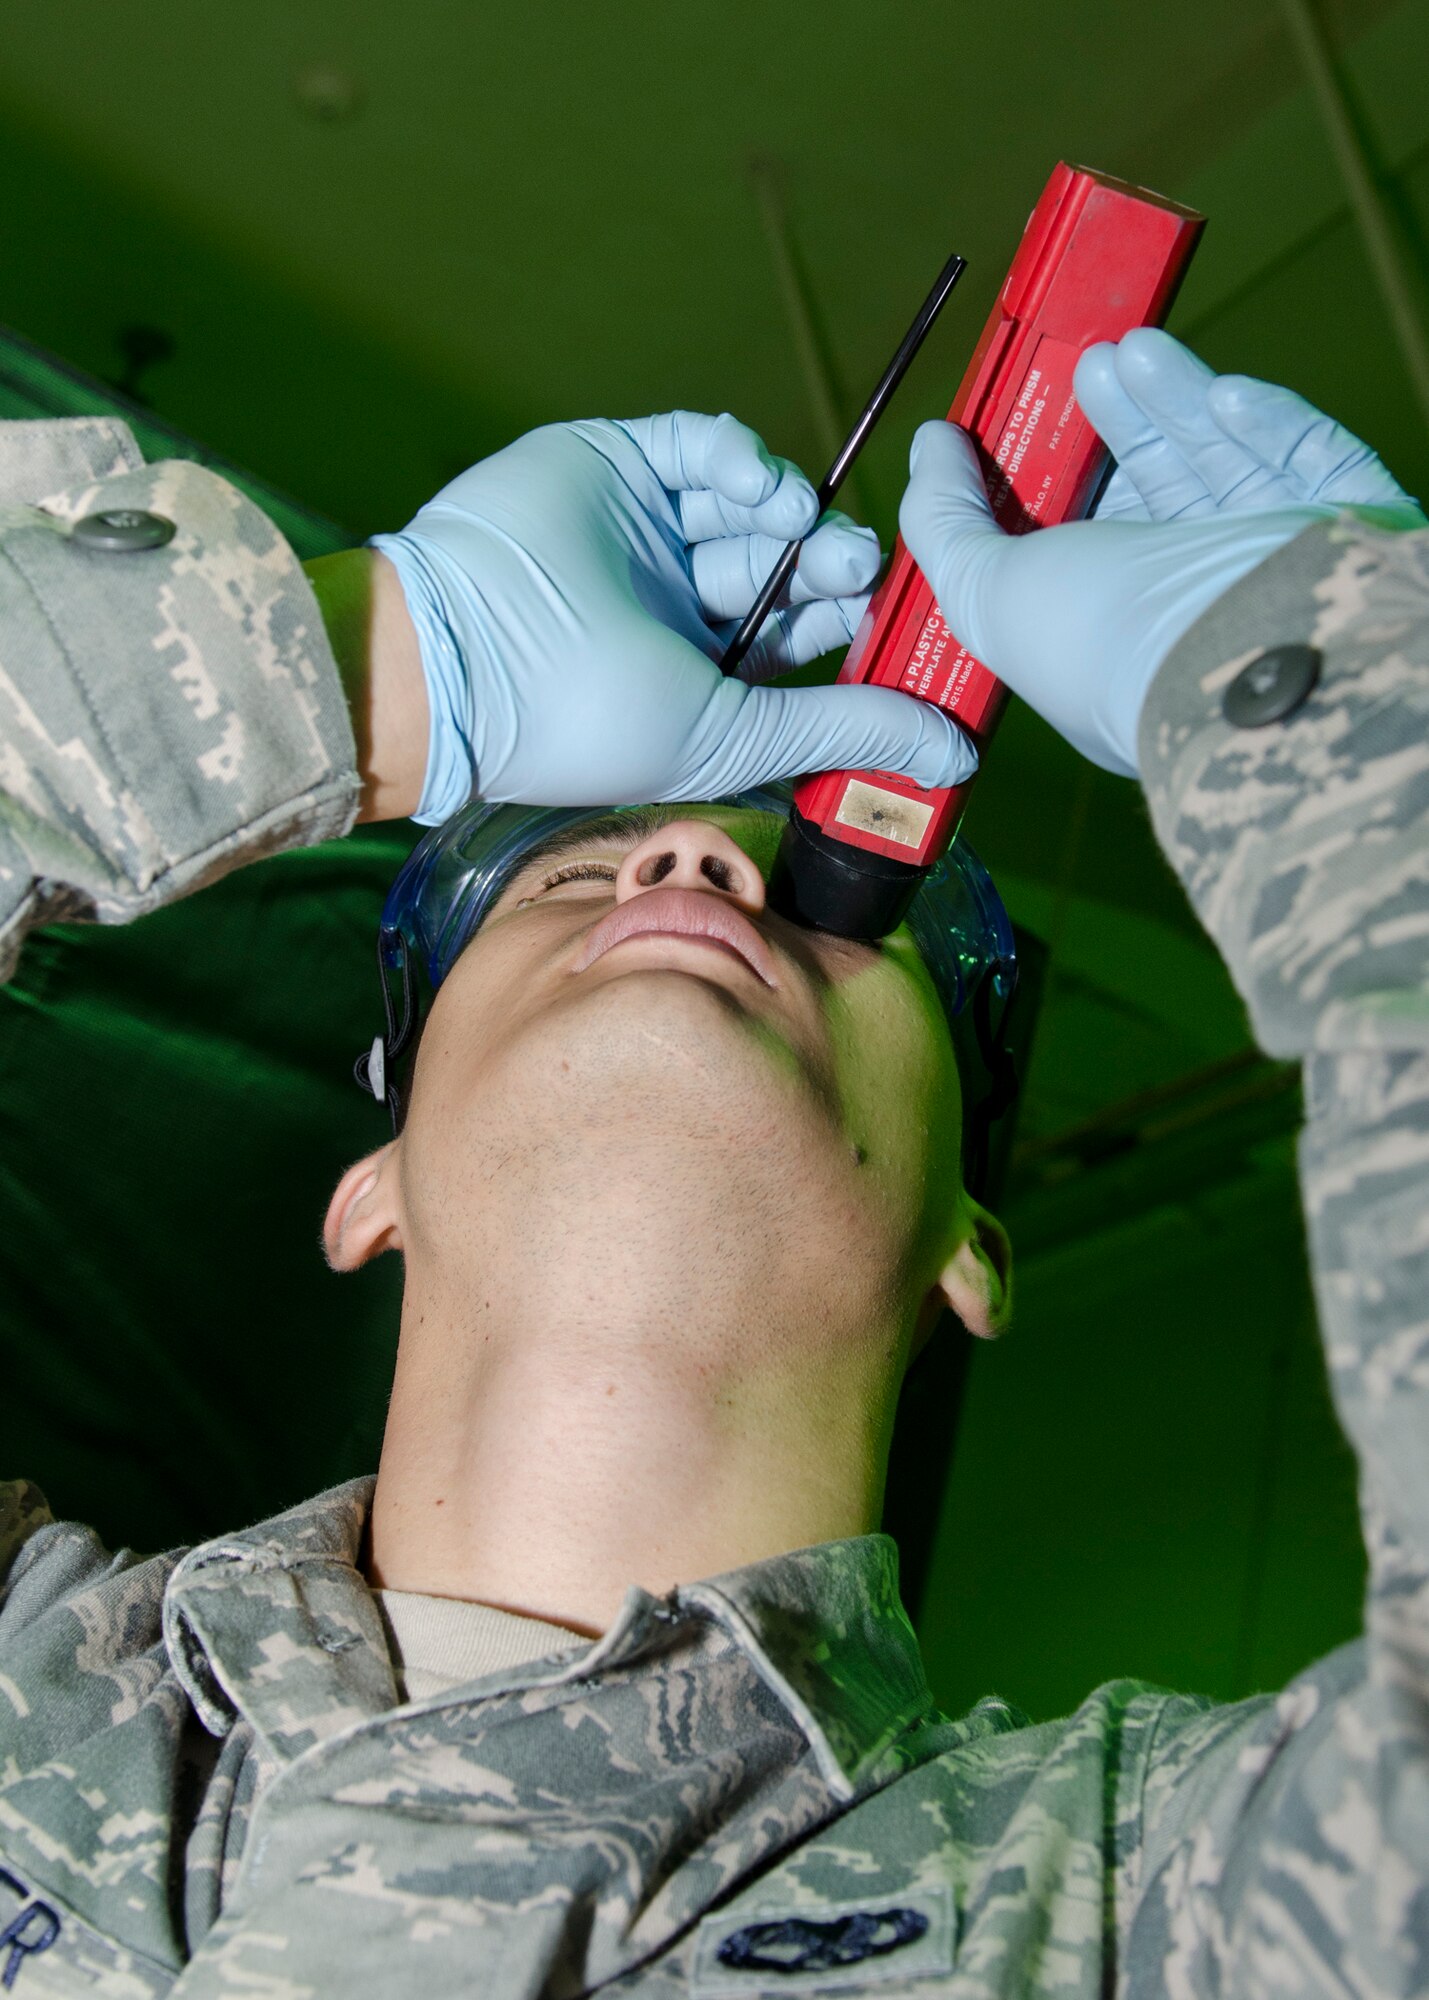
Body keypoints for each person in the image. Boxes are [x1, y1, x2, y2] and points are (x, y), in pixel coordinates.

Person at [0, 334, 1422, 1997]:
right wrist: (374, 657)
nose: (684, 855)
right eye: (560, 880)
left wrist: (1346, 705)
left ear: (974, 1243)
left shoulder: (1158, 1914)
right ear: (368, 1187)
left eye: (841, 902)